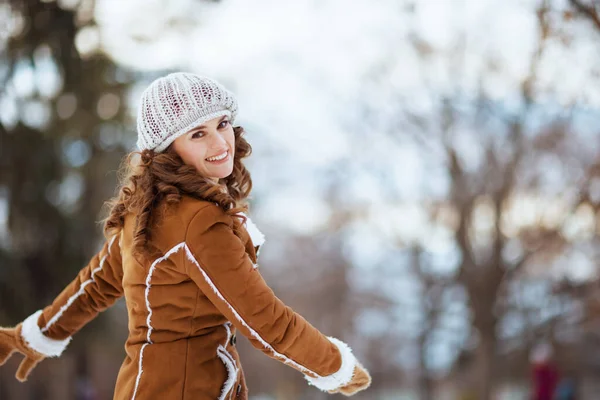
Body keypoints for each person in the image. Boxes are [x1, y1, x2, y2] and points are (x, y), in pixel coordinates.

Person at [0, 73, 372, 399]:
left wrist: (34, 334)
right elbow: (264, 320)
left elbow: (95, 285)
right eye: (198, 133)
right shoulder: (197, 222)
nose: (220, 143)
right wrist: (335, 366)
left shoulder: (147, 212)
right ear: (167, 151)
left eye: (222, 124)